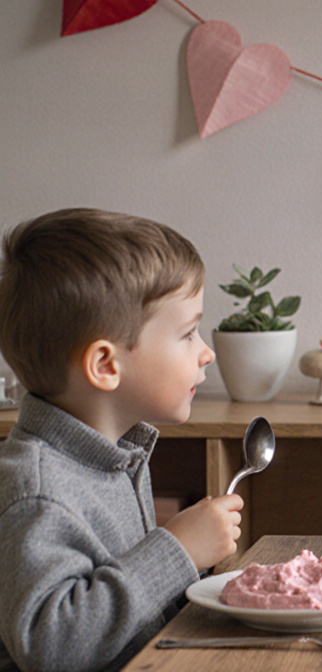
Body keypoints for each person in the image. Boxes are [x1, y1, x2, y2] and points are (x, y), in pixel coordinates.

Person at [0, 209, 243, 672]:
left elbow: (128, 609)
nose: (205, 351)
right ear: (106, 366)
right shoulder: (37, 492)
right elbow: (50, 647)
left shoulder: (112, 457)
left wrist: (197, 566)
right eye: (188, 333)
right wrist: (177, 551)